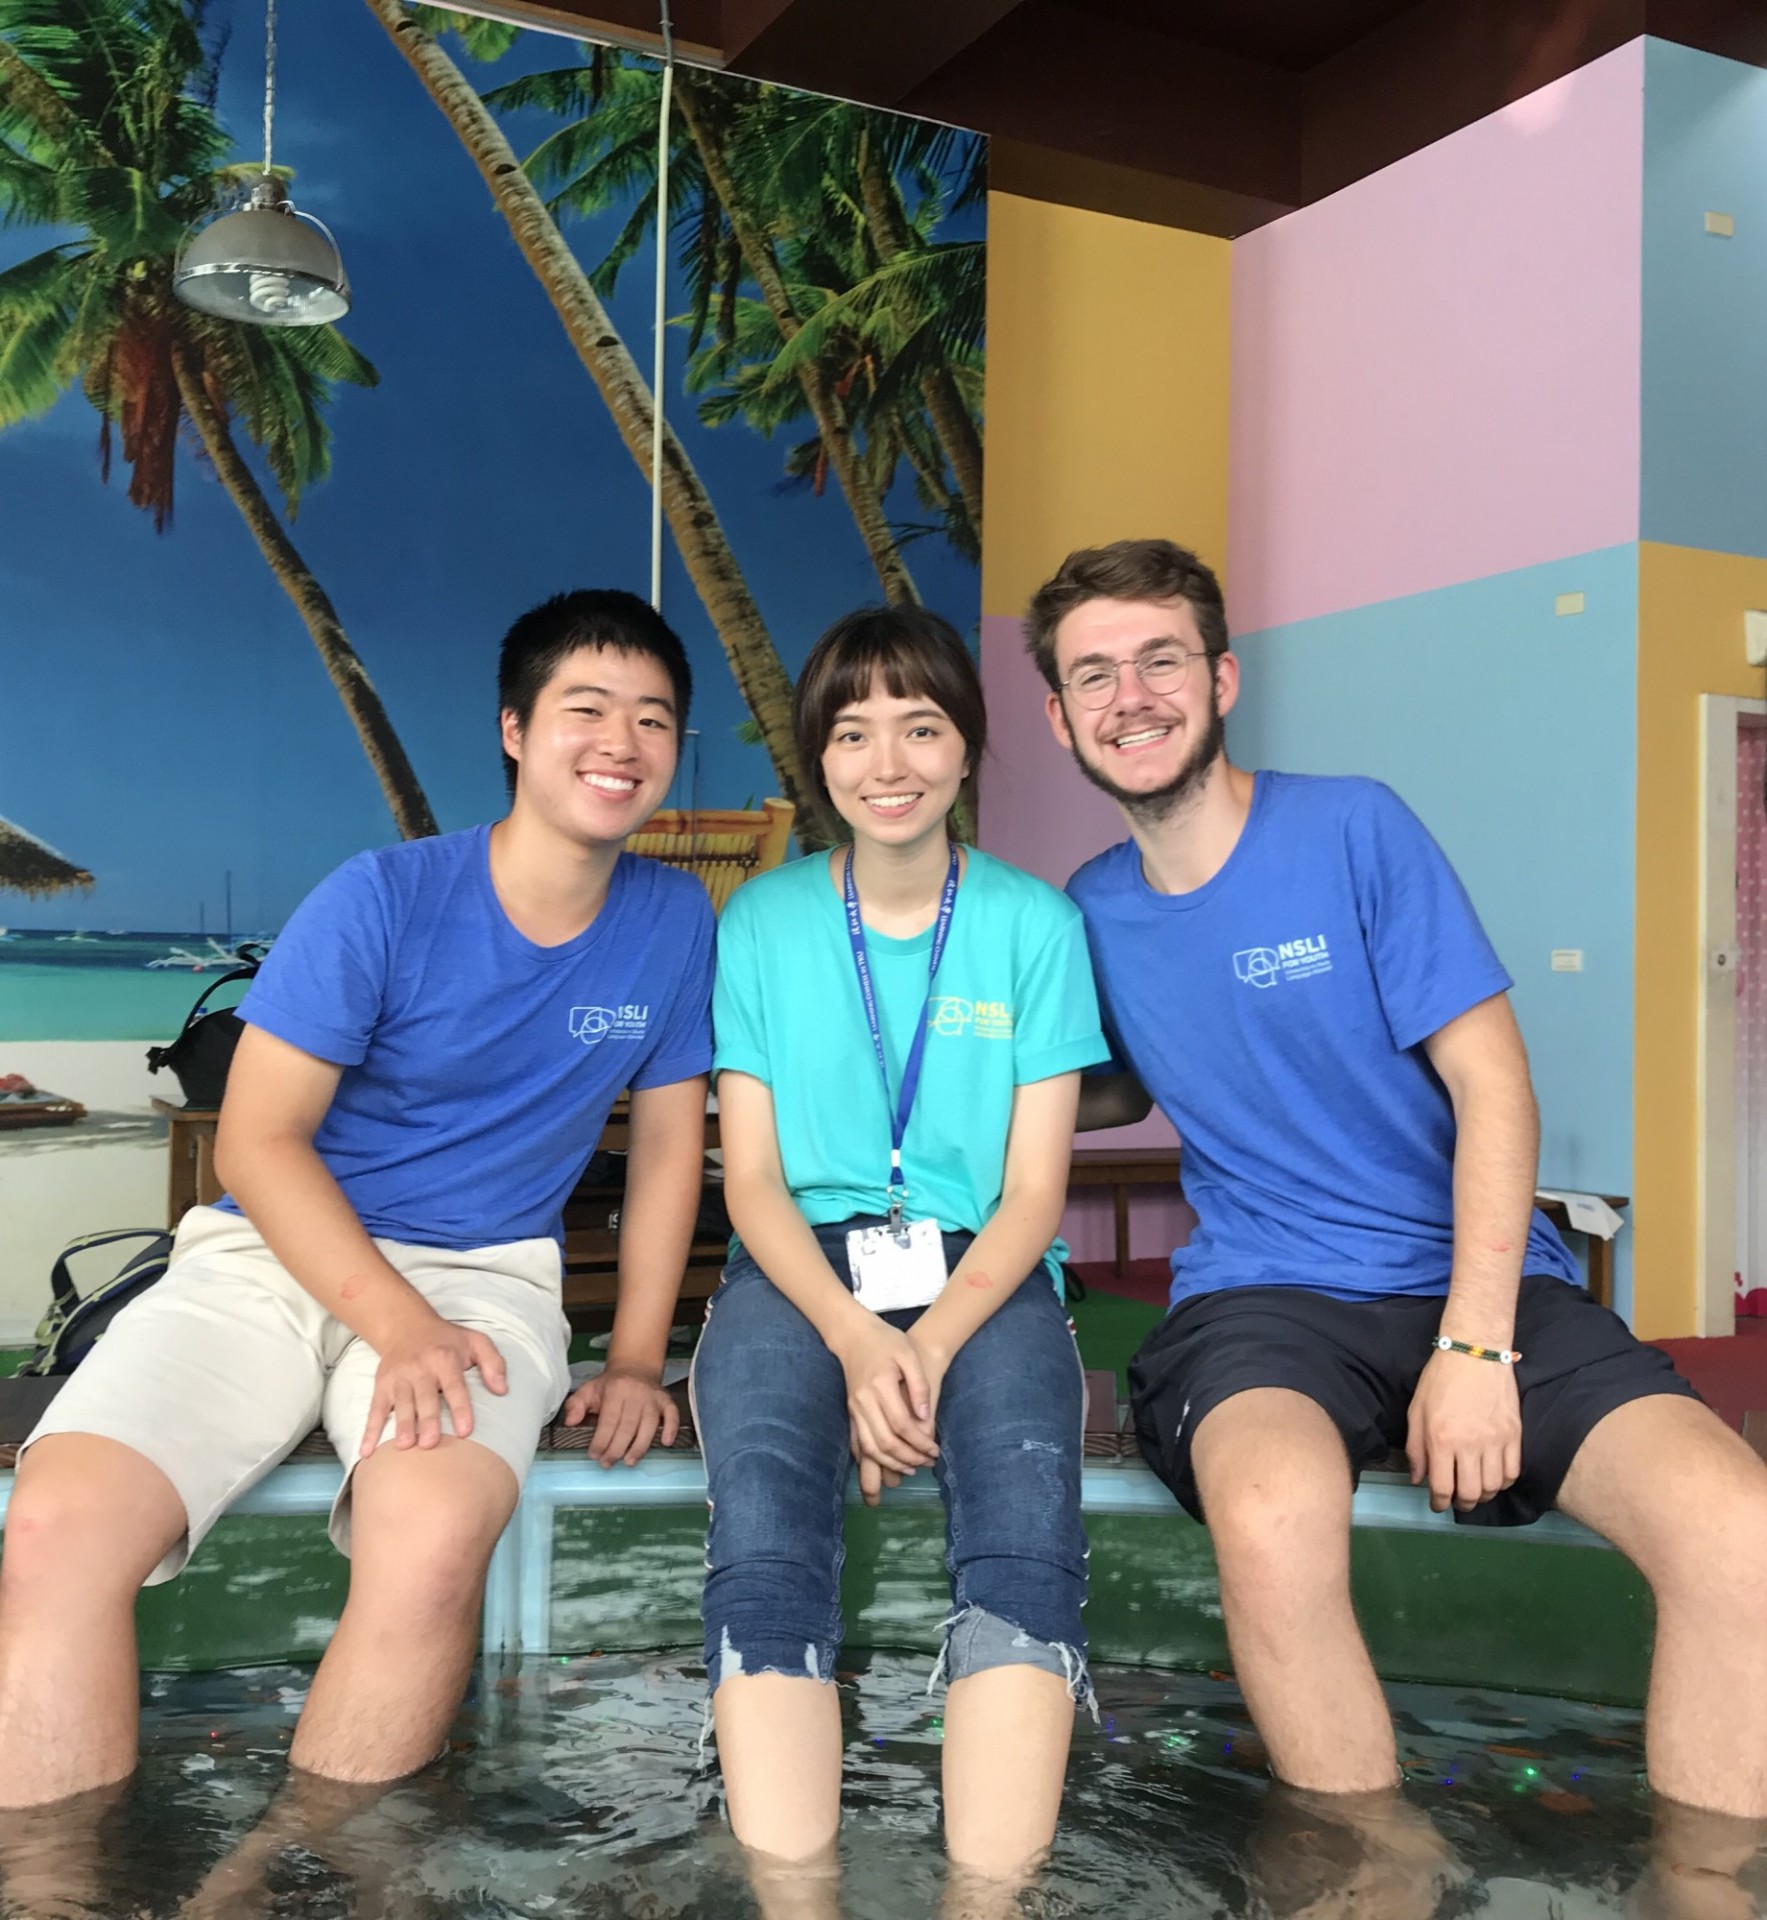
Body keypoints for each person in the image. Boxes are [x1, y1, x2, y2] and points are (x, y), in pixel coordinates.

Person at [1028, 537, 1767, 1819]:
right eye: (1094, 675)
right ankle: (1378, 1883)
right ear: (1058, 716)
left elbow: (1495, 1085)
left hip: (1483, 1291)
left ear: (1222, 679)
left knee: (1742, 1540)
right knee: (1266, 1520)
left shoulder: (1353, 826)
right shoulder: (1084, 909)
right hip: (1261, 1301)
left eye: (1159, 660)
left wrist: (1476, 1348)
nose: (1129, 696)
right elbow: (1110, 1085)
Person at [0, 589, 715, 1805]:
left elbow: (664, 1151)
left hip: (485, 1278)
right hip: (267, 1259)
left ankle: (301, 1874)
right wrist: (394, 1325)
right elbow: (258, 1145)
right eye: (585, 709)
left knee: (433, 1544)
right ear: (513, 729)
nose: (621, 743)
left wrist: (637, 1356)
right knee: (58, 1524)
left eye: (654, 720)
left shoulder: (671, 919)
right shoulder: (382, 896)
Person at [692, 606, 1107, 1896]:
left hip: (985, 1271)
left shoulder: (1036, 926)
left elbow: (1037, 1192)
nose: (890, 762)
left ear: (967, 749)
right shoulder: (758, 925)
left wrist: (920, 1344)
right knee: (762, 1520)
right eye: (855, 731)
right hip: (801, 1269)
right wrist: (857, 1337)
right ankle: (795, 1895)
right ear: (819, 756)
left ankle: (988, 1895)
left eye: (921, 727)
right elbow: (750, 1179)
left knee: (1029, 1523)